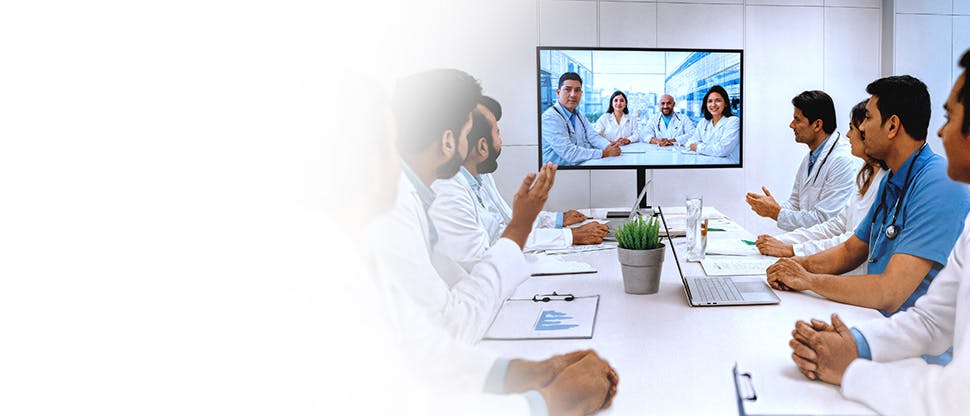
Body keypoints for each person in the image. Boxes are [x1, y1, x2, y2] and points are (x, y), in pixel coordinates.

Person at [333, 69, 619, 415]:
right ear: (449, 141)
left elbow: (426, 345)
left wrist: (529, 372)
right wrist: (549, 403)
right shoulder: (392, 213)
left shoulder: (408, 202)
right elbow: (448, 331)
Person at [785, 50, 970, 415]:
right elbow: (853, 250)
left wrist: (851, 368)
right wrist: (855, 343)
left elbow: (956, 396)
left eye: (950, 118)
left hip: (924, 372)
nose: (942, 130)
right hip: (895, 342)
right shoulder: (894, 179)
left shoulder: (938, 183)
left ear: (892, 126)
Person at [430, 97, 608, 272]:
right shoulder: (448, 192)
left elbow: (505, 223)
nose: (501, 141)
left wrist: (555, 220)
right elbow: (490, 250)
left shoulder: (480, 177)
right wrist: (570, 236)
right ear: (483, 147)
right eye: (497, 133)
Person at [755, 99, 887, 275]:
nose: (847, 135)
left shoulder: (845, 162)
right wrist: (782, 240)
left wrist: (791, 248)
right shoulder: (864, 174)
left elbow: (842, 234)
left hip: (850, 271)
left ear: (817, 125)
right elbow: (835, 224)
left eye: (852, 128)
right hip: (831, 261)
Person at [746, 90, 861, 231]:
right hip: (810, 242)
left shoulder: (843, 161)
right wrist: (772, 206)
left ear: (817, 125)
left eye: (797, 120)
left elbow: (828, 221)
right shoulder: (810, 158)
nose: (791, 125)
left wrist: (775, 212)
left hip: (828, 246)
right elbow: (795, 205)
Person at [541, 72, 622, 166]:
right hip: (558, 173)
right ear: (558, 93)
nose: (573, 94)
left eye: (577, 90)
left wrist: (609, 146)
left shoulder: (579, 115)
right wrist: (604, 153)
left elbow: (593, 136)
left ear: (581, 93)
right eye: (568, 89)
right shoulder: (550, 118)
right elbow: (569, 152)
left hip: (580, 168)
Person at [685, 85, 741, 162]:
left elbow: (723, 149)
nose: (713, 104)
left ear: (725, 104)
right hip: (706, 164)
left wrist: (698, 147)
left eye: (718, 100)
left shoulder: (733, 121)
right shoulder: (703, 122)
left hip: (728, 166)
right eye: (710, 101)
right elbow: (689, 143)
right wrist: (707, 148)